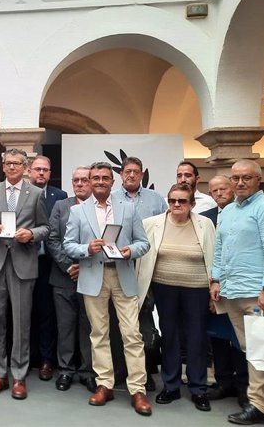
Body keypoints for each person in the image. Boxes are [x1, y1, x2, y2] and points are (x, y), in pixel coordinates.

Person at [64, 161, 152, 416]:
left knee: (132, 334)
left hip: (123, 275)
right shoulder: (78, 211)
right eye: (96, 178)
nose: (100, 181)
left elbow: (143, 243)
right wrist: (85, 249)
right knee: (98, 334)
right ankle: (105, 384)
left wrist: (129, 251)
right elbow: (68, 244)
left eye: (105, 178)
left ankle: (137, 389)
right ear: (89, 182)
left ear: (113, 182)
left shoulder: (128, 208)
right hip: (93, 277)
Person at [210, 160, 264, 427]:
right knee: (255, 353)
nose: (240, 183)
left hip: (261, 295)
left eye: (246, 178)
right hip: (234, 293)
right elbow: (220, 249)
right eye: (236, 178)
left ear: (258, 179)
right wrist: (216, 279)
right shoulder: (230, 211)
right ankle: (260, 405)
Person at [136, 183, 216, 412]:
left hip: (197, 288)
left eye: (182, 201)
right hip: (164, 287)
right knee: (169, 336)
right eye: (172, 201)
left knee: (196, 338)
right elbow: (143, 255)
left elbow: (214, 255)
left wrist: (214, 287)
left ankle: (198, 388)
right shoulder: (152, 224)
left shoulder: (205, 224)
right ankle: (170, 386)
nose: (177, 205)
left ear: (192, 203)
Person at [0, 148, 49, 400]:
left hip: (23, 262)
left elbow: (46, 227)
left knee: (21, 323)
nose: (11, 167)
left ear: (25, 166)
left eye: (16, 164)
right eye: (7, 163)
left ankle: (18, 376)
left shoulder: (37, 193)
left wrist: (31, 234)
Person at [113, 156, 168, 391]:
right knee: (118, 322)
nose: (131, 175)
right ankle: (120, 372)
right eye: (127, 171)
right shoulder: (112, 199)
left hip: (149, 265)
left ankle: (144, 373)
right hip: (119, 266)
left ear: (143, 173)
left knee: (145, 320)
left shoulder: (156, 199)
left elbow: (167, 228)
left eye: (136, 171)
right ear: (121, 174)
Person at [46, 166, 96, 393]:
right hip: (63, 276)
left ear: (92, 183)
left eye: (84, 180)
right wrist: (69, 266)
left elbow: (101, 240)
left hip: (92, 275)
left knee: (89, 326)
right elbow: (52, 238)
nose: (79, 184)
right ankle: (65, 370)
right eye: (75, 180)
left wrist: (83, 267)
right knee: (64, 326)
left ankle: (87, 372)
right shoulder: (60, 206)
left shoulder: (100, 208)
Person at [201, 175, 249, 407]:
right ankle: (223, 382)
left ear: (232, 189)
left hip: (242, 288)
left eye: (223, 189)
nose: (219, 193)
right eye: (214, 190)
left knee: (241, 339)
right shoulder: (204, 219)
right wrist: (212, 284)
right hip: (215, 288)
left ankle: (244, 387)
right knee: (218, 337)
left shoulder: (246, 214)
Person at [28, 155, 67, 381]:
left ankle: (46, 360)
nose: (41, 173)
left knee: (47, 313)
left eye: (45, 169)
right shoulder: (21, 194)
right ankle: (28, 357)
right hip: (24, 260)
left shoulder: (59, 196)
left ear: (50, 173)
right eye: (37, 169)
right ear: (30, 171)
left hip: (49, 263)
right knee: (24, 311)